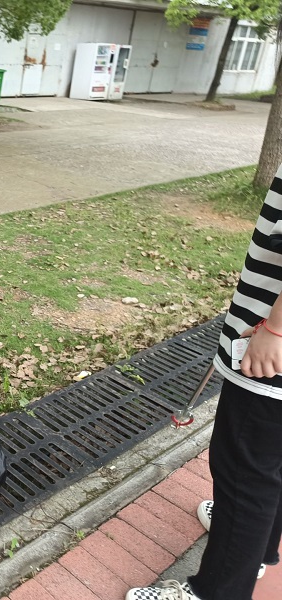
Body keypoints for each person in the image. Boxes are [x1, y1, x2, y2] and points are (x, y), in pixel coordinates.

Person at [126, 165, 282, 600]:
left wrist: (275, 331)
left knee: (243, 472)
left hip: (269, 345)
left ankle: (216, 590)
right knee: (268, 462)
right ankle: (259, 549)